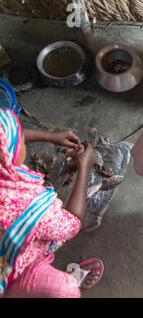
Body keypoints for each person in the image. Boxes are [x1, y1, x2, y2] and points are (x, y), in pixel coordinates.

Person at [0, 107, 103, 298]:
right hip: (10, 269)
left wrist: (49, 136)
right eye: (21, 140)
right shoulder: (25, 207)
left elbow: (7, 139)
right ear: (8, 155)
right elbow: (71, 223)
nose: (23, 141)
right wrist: (84, 168)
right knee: (65, 289)